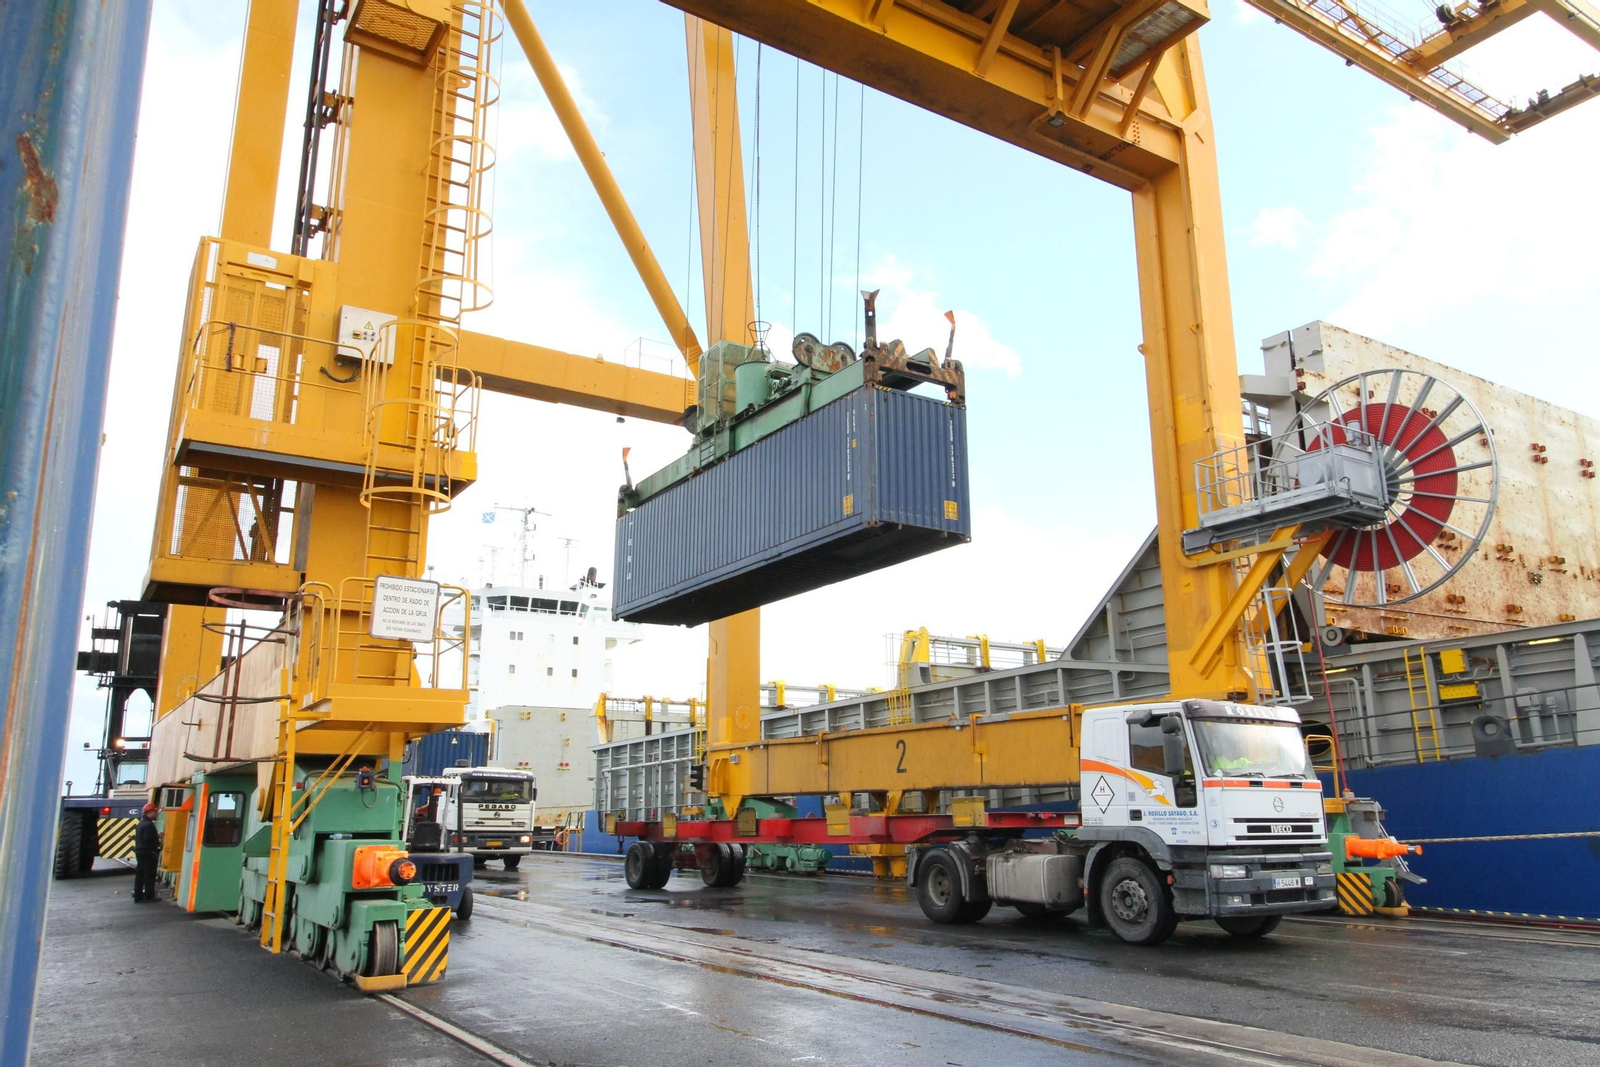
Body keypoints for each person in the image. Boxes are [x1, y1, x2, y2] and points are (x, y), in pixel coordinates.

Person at [132, 803, 161, 903]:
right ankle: (149, 896)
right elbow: (148, 838)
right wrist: (157, 838)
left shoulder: (141, 824)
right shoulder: (149, 825)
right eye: (155, 812)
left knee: (140, 875)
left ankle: (138, 896)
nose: (157, 814)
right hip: (148, 852)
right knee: (149, 874)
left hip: (140, 851)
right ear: (151, 812)